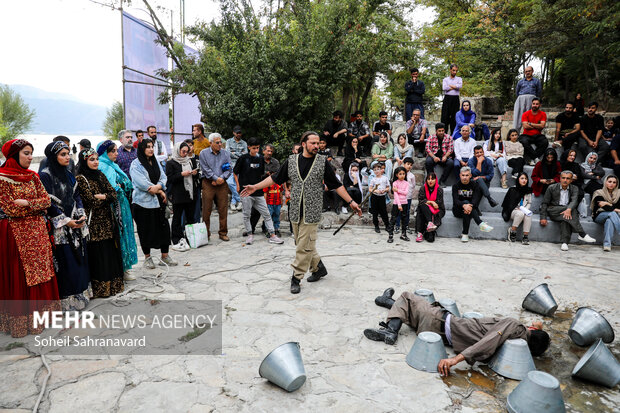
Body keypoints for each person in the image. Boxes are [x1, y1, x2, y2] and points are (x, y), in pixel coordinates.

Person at [240, 131, 362, 294]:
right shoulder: (291, 161)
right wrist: (256, 186)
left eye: (318, 143)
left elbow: (336, 184)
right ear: (303, 144)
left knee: (303, 247)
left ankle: (296, 278)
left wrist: (351, 202)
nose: (316, 146)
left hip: (312, 211)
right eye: (313, 143)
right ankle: (318, 267)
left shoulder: (322, 162)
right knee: (302, 243)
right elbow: (276, 178)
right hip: (296, 210)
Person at [363, 289, 550, 376]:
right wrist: (536, 330)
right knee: (409, 309)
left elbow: (488, 342)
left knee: (407, 296)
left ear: (531, 330)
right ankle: (387, 301)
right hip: (440, 331)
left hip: (441, 322)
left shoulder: (514, 325)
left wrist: (455, 360)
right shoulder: (518, 340)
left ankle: (390, 330)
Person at [0, 139, 60, 338]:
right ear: (14, 155)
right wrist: (34, 206)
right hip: (16, 234)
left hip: (37, 232)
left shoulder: (33, 176)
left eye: (31, 153)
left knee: (42, 271)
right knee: (22, 275)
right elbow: (10, 209)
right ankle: (24, 321)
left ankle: (45, 317)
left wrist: (26, 202)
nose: (30, 157)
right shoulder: (2, 178)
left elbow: (46, 201)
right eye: (26, 153)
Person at [39, 141, 92, 311]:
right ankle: (68, 301)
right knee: (67, 261)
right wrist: (65, 220)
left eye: (68, 154)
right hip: (60, 226)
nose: (67, 157)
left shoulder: (69, 173)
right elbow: (48, 203)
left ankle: (81, 295)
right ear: (54, 157)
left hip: (75, 222)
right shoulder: (45, 175)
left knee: (80, 259)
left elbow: (76, 195)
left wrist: (81, 213)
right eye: (63, 154)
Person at [75, 149, 124, 298]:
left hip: (108, 222)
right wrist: (105, 197)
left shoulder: (100, 175)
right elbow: (91, 201)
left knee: (109, 253)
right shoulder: (81, 178)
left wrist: (103, 196)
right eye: (91, 159)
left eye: (96, 159)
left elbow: (113, 194)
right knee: (98, 255)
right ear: (84, 161)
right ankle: (100, 289)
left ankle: (113, 286)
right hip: (94, 224)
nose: (96, 162)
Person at [130, 138, 176, 268]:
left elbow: (163, 177)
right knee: (145, 230)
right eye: (148, 147)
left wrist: (159, 187)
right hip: (143, 203)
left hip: (158, 203)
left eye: (152, 146)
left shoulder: (155, 162)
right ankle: (147, 257)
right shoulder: (136, 164)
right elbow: (141, 182)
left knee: (164, 228)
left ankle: (165, 256)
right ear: (142, 149)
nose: (150, 149)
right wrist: (158, 190)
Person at [97, 140, 138, 280]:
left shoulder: (113, 165)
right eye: (112, 151)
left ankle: (125, 267)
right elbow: (110, 187)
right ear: (104, 153)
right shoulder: (102, 166)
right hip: (113, 206)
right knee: (118, 234)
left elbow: (126, 183)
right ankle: (120, 268)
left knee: (125, 233)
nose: (116, 153)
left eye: (116, 150)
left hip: (122, 203)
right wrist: (118, 187)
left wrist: (123, 186)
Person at [234, 137, 284, 245]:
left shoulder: (260, 159)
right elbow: (235, 172)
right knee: (247, 214)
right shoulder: (243, 158)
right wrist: (238, 186)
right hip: (245, 190)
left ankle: (272, 234)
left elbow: (261, 174)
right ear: (248, 148)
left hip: (258, 191)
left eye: (257, 148)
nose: (256, 150)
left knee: (266, 213)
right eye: (253, 148)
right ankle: (249, 234)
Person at [540, 171, 597, 251]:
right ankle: (582, 234)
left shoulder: (574, 188)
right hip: (554, 210)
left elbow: (574, 201)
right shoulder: (551, 187)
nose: (565, 180)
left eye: (568, 178)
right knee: (571, 212)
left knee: (566, 219)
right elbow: (545, 203)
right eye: (563, 178)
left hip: (567, 212)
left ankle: (564, 243)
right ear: (560, 178)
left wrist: (568, 209)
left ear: (571, 180)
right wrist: (543, 217)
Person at [166, 142, 199, 252]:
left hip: (190, 193)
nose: (185, 154)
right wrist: (181, 174)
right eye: (183, 151)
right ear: (177, 150)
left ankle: (190, 238)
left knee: (190, 217)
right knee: (177, 218)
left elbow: (197, 175)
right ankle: (176, 239)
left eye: (186, 151)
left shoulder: (190, 160)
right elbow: (170, 178)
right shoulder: (171, 163)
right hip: (178, 194)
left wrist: (194, 173)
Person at [199, 133, 232, 241]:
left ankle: (223, 233)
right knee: (206, 210)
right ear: (210, 143)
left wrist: (221, 179)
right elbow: (205, 169)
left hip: (222, 183)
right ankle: (206, 234)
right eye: (217, 142)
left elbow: (229, 168)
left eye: (220, 142)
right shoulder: (203, 153)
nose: (220, 144)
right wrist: (215, 179)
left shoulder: (225, 153)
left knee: (223, 208)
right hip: (208, 183)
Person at [452, 166, 493, 242]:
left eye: (467, 175)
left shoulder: (475, 185)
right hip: (457, 210)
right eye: (463, 175)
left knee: (467, 210)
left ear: (470, 176)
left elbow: (475, 200)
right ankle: (480, 223)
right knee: (466, 203)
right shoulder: (456, 186)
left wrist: (469, 207)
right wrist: (464, 205)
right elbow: (456, 201)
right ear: (460, 175)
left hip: (471, 209)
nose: (465, 177)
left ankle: (465, 235)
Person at [591, 174, 620, 251]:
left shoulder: (619, 193)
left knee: (609, 221)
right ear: (605, 182)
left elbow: (614, 207)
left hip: (612, 217)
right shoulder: (599, 192)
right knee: (612, 213)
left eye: (614, 182)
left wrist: (608, 203)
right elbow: (604, 206)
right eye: (609, 181)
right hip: (599, 216)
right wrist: (612, 206)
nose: (612, 184)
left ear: (616, 184)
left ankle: (607, 245)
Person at [502, 172, 533, 244]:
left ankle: (525, 236)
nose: (524, 180)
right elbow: (508, 204)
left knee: (528, 215)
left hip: (523, 209)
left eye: (525, 178)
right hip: (512, 211)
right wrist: (516, 208)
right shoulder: (513, 190)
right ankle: (512, 231)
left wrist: (526, 209)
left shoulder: (528, 190)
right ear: (518, 180)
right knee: (520, 214)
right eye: (522, 178)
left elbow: (529, 203)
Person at [416, 172, 445, 243]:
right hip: (424, 209)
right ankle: (421, 231)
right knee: (422, 206)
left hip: (437, 211)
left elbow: (438, 204)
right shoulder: (423, 188)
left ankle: (425, 230)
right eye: (428, 179)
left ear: (436, 180)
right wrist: (432, 202)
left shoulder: (439, 190)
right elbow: (421, 201)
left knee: (430, 239)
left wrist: (429, 203)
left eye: (432, 179)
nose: (430, 181)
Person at [518, 97, 548, 164]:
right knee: (523, 141)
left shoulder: (543, 114)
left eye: (537, 104)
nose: (535, 105)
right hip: (526, 135)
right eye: (533, 103)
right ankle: (535, 158)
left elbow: (542, 126)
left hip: (538, 135)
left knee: (545, 142)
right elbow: (525, 126)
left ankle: (532, 158)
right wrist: (537, 125)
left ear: (540, 105)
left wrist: (531, 124)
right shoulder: (525, 114)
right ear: (531, 104)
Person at [513, 66, 542, 130]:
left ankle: (530, 133)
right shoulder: (520, 81)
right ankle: (515, 133)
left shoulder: (537, 81)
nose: (527, 72)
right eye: (526, 71)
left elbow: (539, 92)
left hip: (532, 99)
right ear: (524, 72)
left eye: (529, 71)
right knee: (518, 116)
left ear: (532, 71)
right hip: (521, 99)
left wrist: (535, 100)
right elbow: (517, 92)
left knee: (530, 115)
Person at [226, 126, 248, 211]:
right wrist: (239, 154)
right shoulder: (228, 141)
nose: (239, 134)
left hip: (241, 165)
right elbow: (228, 152)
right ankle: (240, 200)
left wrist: (234, 153)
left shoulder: (244, 143)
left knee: (237, 182)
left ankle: (233, 202)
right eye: (237, 132)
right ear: (233, 133)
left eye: (240, 132)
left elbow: (245, 153)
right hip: (231, 164)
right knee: (230, 182)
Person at [388, 167, 410, 242]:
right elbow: (396, 195)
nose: (402, 175)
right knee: (393, 219)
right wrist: (399, 205)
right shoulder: (395, 183)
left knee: (404, 219)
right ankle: (390, 235)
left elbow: (406, 193)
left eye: (404, 174)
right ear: (396, 175)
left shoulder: (406, 183)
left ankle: (403, 234)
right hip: (396, 203)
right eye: (400, 174)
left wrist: (398, 190)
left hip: (405, 203)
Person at [369, 162, 391, 235]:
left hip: (382, 197)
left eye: (378, 169)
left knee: (383, 212)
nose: (376, 171)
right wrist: (375, 191)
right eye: (375, 170)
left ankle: (387, 225)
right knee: (374, 212)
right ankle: (376, 226)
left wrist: (384, 190)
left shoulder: (385, 178)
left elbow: (388, 187)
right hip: (374, 197)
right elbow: (370, 189)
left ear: (381, 170)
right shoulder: (373, 179)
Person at [394, 157, 415, 232]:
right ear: (404, 164)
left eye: (411, 165)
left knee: (407, 212)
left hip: (408, 197)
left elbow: (413, 185)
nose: (409, 166)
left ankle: (406, 225)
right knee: (398, 211)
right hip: (399, 197)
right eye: (408, 164)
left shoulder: (412, 176)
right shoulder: (400, 173)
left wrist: (409, 193)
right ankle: (397, 225)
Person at [441, 64, 462, 135]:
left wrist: (450, 86)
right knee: (445, 117)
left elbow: (460, 86)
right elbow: (444, 88)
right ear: (450, 70)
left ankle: (454, 135)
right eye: (453, 70)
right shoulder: (445, 79)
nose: (455, 72)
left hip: (455, 99)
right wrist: (455, 87)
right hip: (447, 98)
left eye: (456, 71)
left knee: (455, 117)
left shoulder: (459, 79)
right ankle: (444, 134)